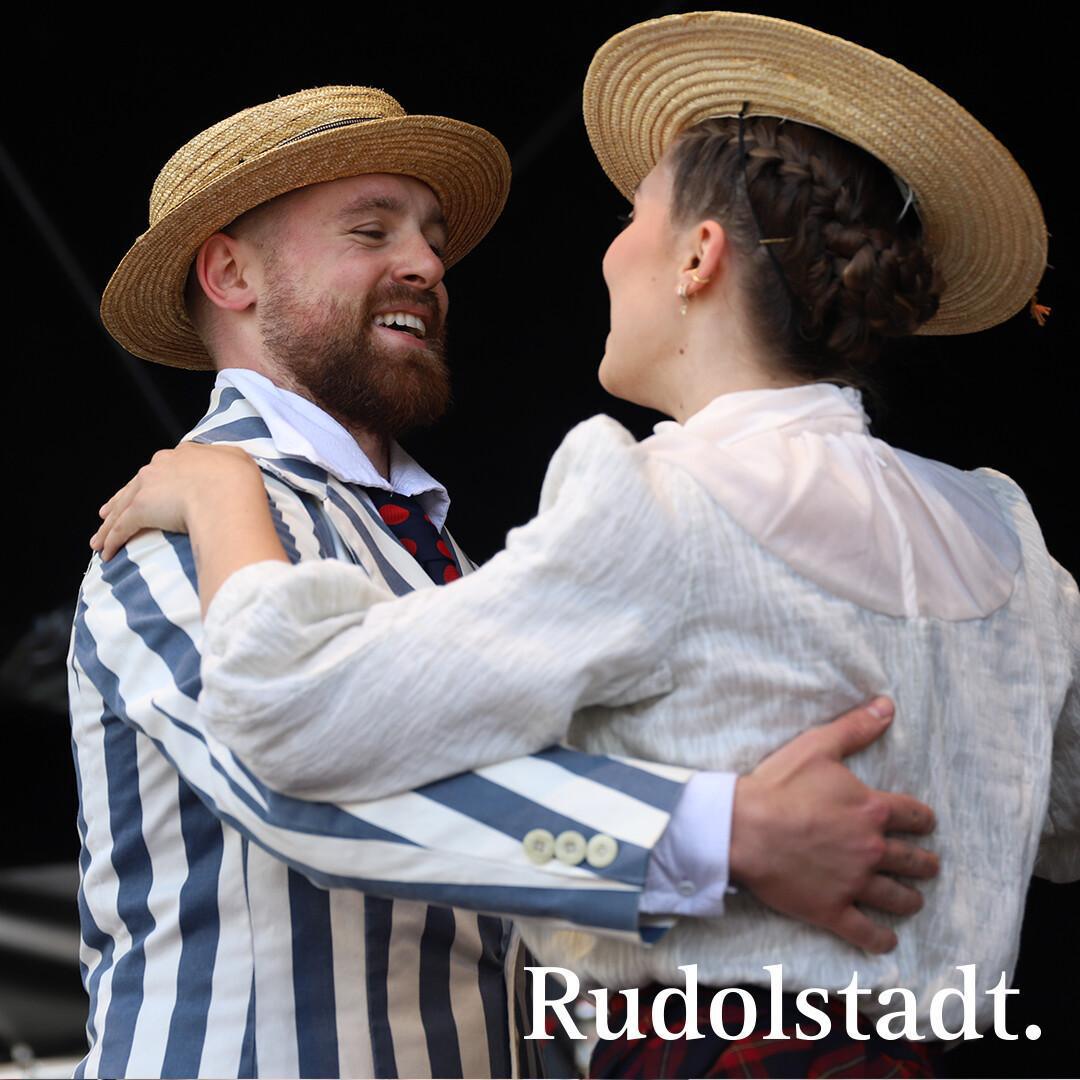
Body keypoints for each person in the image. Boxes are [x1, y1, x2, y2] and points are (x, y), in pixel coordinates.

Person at [92, 12, 1080, 1077]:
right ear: (232, 278)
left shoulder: (475, 546)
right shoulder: (174, 518)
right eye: (373, 232)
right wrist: (725, 832)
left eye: (432, 236)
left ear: (699, 256)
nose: (430, 263)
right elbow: (286, 781)